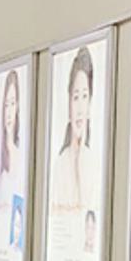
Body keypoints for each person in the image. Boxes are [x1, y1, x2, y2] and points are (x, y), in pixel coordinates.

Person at [51, 45, 97, 211]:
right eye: (76, 97)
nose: (80, 109)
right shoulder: (60, 162)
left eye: (85, 96)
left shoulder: (93, 162)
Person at [0, 70, 22, 211]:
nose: (9, 113)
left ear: (17, 106)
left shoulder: (21, 153)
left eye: (12, 103)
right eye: (6, 105)